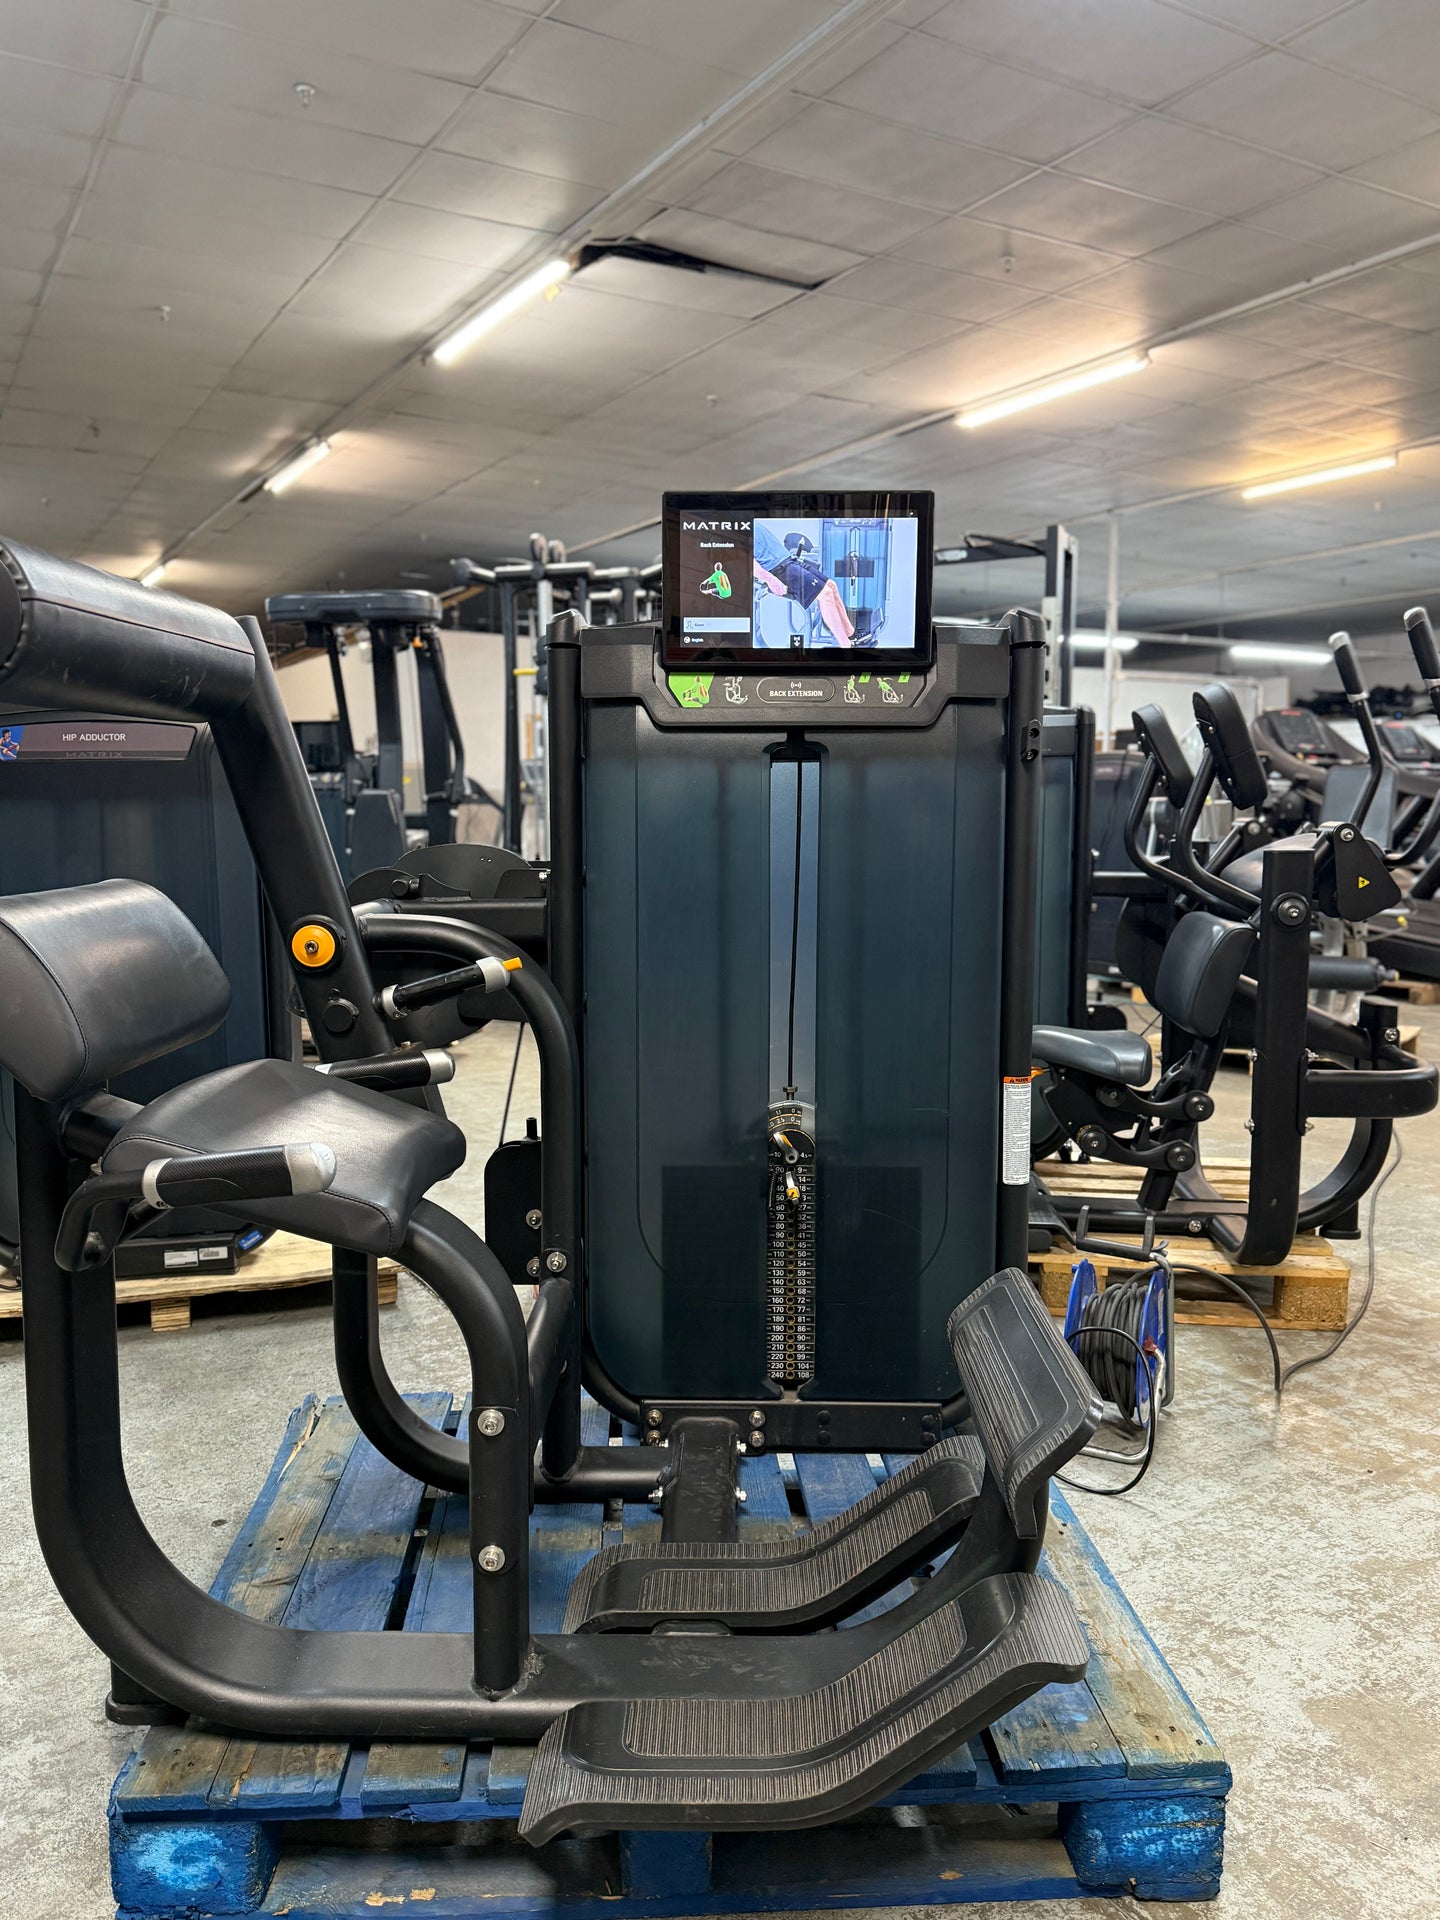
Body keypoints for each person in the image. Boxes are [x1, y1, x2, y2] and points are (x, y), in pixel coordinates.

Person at [752, 523, 854, 646]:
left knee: (831, 586)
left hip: (787, 560)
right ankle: (845, 645)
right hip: (777, 568)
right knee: (826, 595)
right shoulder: (734, 527)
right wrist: (771, 580)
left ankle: (851, 634)